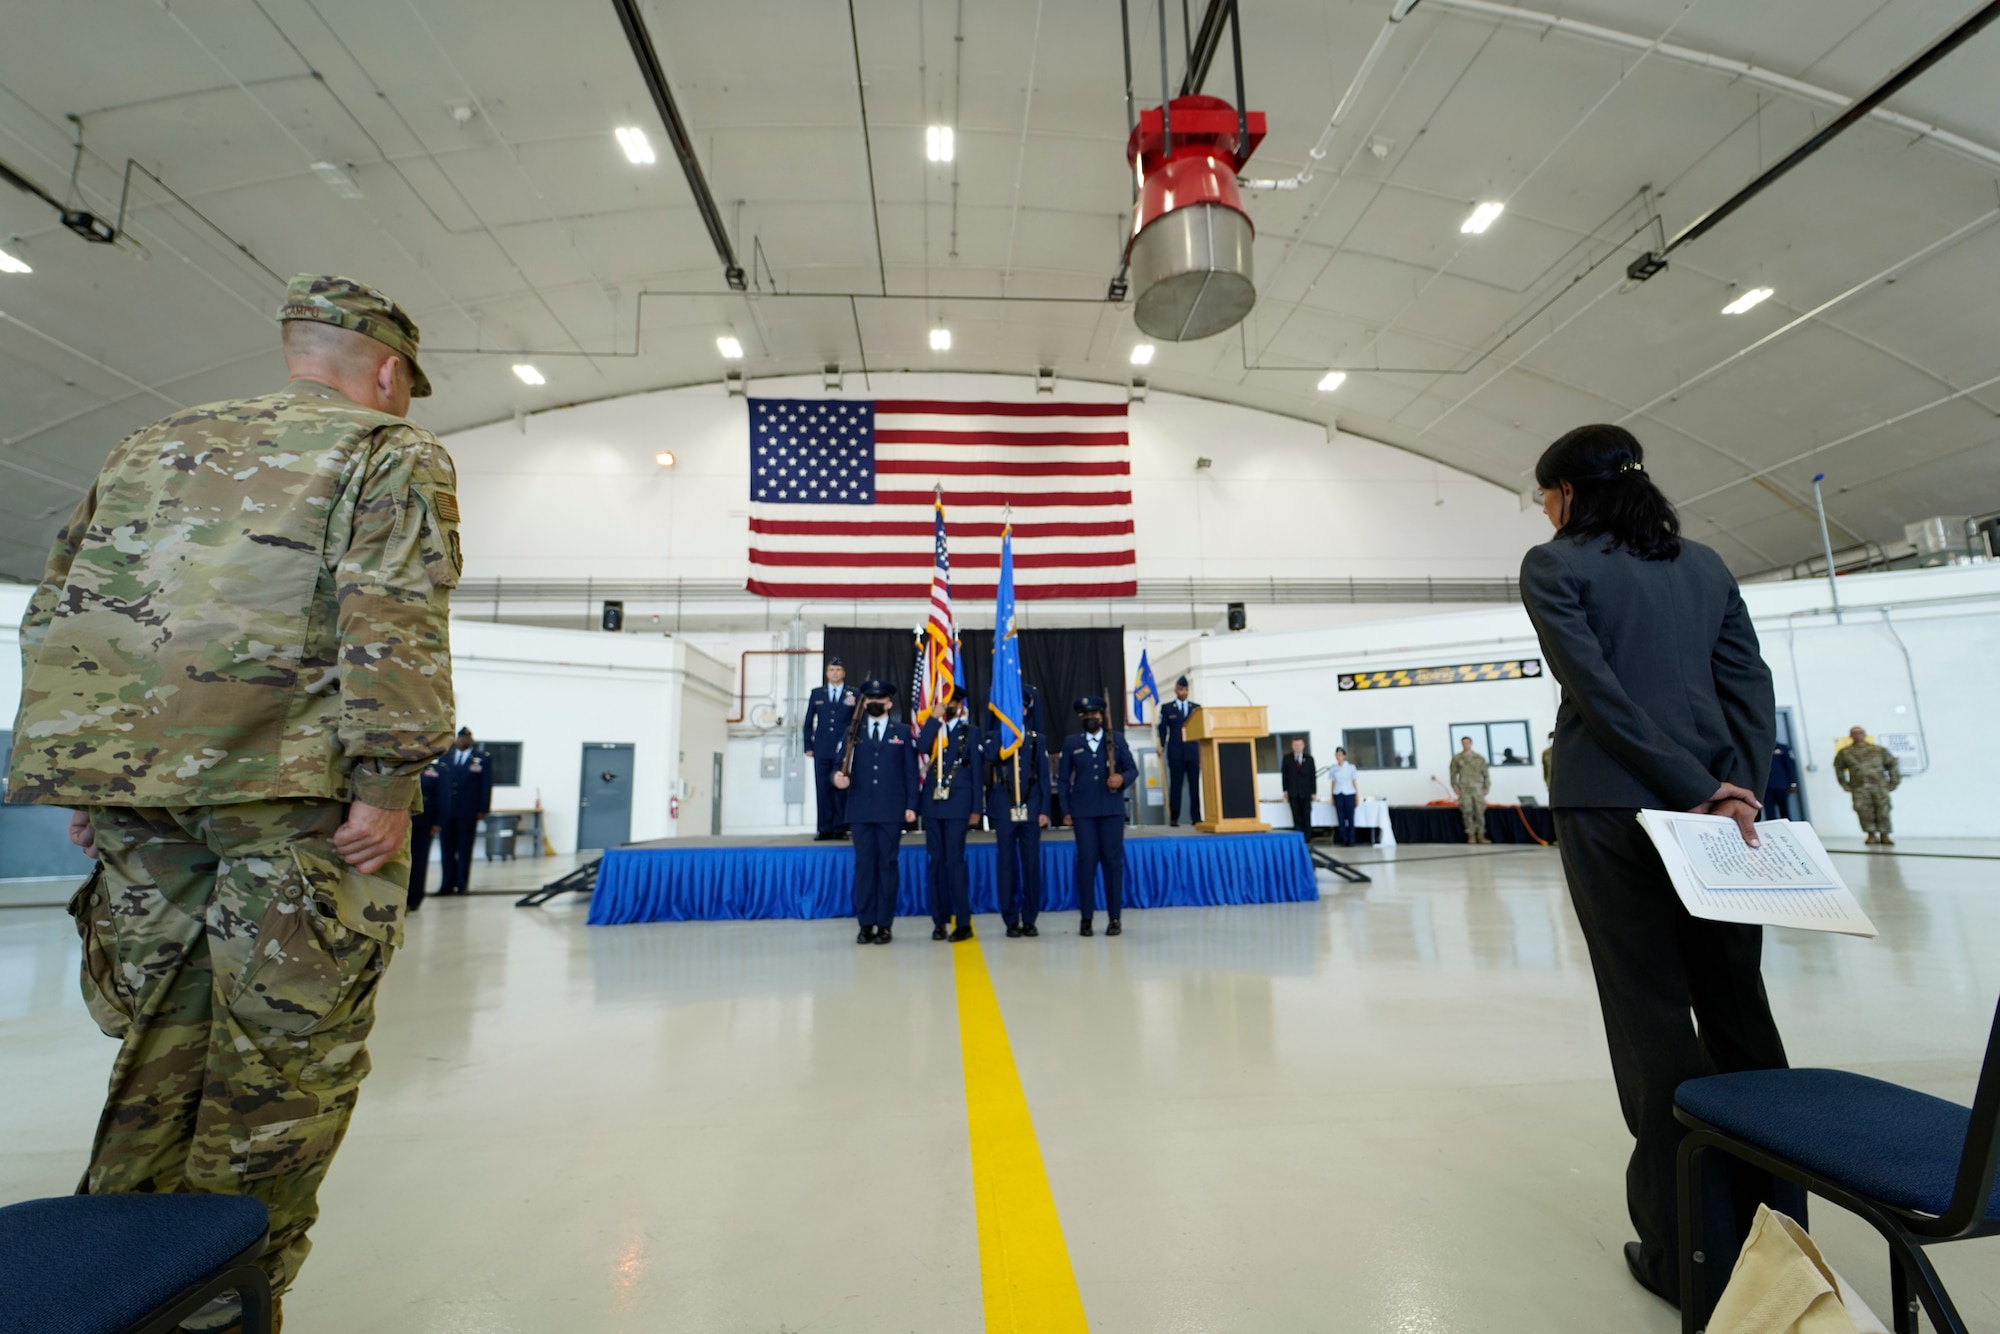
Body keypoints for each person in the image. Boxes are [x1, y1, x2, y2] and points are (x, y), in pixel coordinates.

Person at [5, 273, 457, 1332]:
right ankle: (227, 1309)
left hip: (138, 801)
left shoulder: (146, 446)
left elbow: (62, 601)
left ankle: (109, 1296)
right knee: (282, 1073)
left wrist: (87, 772)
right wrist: (388, 780)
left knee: (155, 1050)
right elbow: (389, 614)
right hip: (293, 803)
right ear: (388, 372)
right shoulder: (387, 450)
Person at [1522, 422, 1796, 1308]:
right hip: (1723, 820)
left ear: (1566, 493)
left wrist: (1686, 785)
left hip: (1611, 810)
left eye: (1544, 497)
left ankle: (1691, 1256)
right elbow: (1749, 686)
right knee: (1739, 1013)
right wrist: (1733, 789)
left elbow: (1598, 696)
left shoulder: (1554, 566)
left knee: (1652, 1025)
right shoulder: (1707, 565)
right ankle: (1780, 1237)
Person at [833, 679, 916, 944]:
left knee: (887, 867)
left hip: (891, 810)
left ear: (889, 703)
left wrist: (912, 806)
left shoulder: (902, 732)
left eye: (880, 700)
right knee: (864, 868)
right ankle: (866, 924)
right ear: (864, 703)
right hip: (860, 810)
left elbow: (910, 774)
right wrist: (837, 779)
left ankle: (884, 924)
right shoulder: (852, 732)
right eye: (870, 700)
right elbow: (838, 768)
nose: (875, 704)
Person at [1058, 696, 1138, 937]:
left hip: (1111, 810)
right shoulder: (1072, 743)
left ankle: (1115, 918)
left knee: (1113, 864)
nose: (1090, 719)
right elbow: (1063, 780)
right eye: (1085, 716)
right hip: (1083, 812)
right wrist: (1065, 810)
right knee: (1086, 863)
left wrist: (1122, 779)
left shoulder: (1116, 740)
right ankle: (1086, 918)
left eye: (1094, 715)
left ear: (1102, 717)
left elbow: (1132, 769)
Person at [916, 689, 982, 942]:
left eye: (952, 702)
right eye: (943, 701)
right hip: (933, 804)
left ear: (960, 705)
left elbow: (977, 772)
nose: (947, 705)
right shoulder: (935, 731)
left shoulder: (970, 732)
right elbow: (921, 747)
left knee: (955, 863)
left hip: (958, 804)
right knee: (935, 864)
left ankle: (963, 922)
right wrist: (933, 719)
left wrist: (977, 808)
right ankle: (939, 920)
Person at [983, 709, 1053, 938]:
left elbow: (1044, 776)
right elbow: (990, 757)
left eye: (1020, 707)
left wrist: (1044, 810)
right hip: (1004, 809)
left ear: (1025, 711)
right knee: (1006, 865)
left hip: (1031, 809)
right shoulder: (996, 737)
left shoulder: (1036, 739)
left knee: (1031, 865)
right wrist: (1004, 736)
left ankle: (1030, 918)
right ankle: (1011, 918)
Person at [803, 657, 858, 840]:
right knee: (823, 787)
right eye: (831, 669)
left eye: (838, 669)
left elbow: (857, 722)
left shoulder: (853, 693)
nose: (835, 673)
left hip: (844, 749)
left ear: (844, 673)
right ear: (827, 673)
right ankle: (824, 828)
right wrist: (808, 745)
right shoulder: (817, 693)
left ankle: (840, 828)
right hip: (822, 748)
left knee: (841, 787)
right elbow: (808, 722)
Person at [434, 728, 494, 891]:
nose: (462, 741)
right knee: (446, 849)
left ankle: (461, 884)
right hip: (447, 812)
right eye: (460, 738)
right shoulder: (446, 758)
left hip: (468, 812)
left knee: (464, 849)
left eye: (465, 738)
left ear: (470, 740)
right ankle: (446, 884)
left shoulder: (481, 759)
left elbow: (486, 785)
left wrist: (483, 808)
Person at [1833, 726, 1900, 846]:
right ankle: (1871, 834)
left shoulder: (1879, 750)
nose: (1857, 735)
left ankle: (1885, 834)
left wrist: (1894, 782)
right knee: (1863, 811)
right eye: (1854, 733)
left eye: (1860, 732)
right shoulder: (1845, 753)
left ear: (1865, 734)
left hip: (1879, 786)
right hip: (1859, 787)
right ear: (1850, 736)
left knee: (1883, 810)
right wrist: (1844, 784)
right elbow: (1839, 769)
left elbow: (1892, 765)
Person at [1157, 676, 1202, 826]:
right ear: (1176, 689)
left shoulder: (1196, 708)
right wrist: (1161, 744)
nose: (1184, 692)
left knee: (1194, 786)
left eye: (1186, 689)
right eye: (1181, 689)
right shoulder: (1167, 708)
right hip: (1176, 751)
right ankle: (1174, 817)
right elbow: (1162, 729)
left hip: (1193, 751)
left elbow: (1200, 728)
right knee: (1175, 785)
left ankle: (1196, 817)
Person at [407, 758, 443, 911]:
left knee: (418, 862)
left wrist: (438, 822)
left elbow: (443, 797)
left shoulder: (437, 769)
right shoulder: (404, 766)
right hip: (401, 822)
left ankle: (414, 898)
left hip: (423, 823)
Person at [1449, 737, 1491, 844]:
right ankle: (1471, 835)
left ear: (1471, 743)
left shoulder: (1479, 758)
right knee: (1467, 812)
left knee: (1479, 812)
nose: (1465, 745)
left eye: (1467, 743)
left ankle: (1481, 835)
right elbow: (1453, 775)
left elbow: (1486, 774)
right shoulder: (1457, 758)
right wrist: (1455, 788)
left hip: (1477, 788)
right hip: (1464, 789)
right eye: (1463, 743)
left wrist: (1486, 788)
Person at [1280, 736, 1317, 839]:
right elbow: (1284, 775)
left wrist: (1313, 792)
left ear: (1303, 745)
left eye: (1300, 745)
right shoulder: (1287, 758)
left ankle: (1307, 838)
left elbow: (1312, 776)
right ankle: (1298, 837)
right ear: (1292, 746)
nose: (1298, 747)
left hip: (1306, 792)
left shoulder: (1309, 759)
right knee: (1296, 816)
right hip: (1293, 792)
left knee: (1306, 815)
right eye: (1295, 745)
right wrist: (1285, 790)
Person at [1329, 747, 1360, 846]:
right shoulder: (1333, 768)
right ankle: (1344, 838)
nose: (1338, 757)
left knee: (1350, 817)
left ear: (1344, 756)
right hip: (1338, 793)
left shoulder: (1351, 767)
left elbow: (1354, 781)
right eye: (1337, 755)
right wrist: (1332, 796)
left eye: (1340, 755)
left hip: (1349, 793)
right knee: (1340, 818)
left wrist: (1357, 795)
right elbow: (1333, 783)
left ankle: (1351, 839)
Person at [1763, 741, 1800, 823]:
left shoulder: (1783, 748)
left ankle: (1788, 830)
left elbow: (1790, 766)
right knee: (1770, 813)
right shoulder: (1761, 748)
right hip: (1766, 787)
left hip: (1781, 785)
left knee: (1784, 811)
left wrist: (1793, 782)